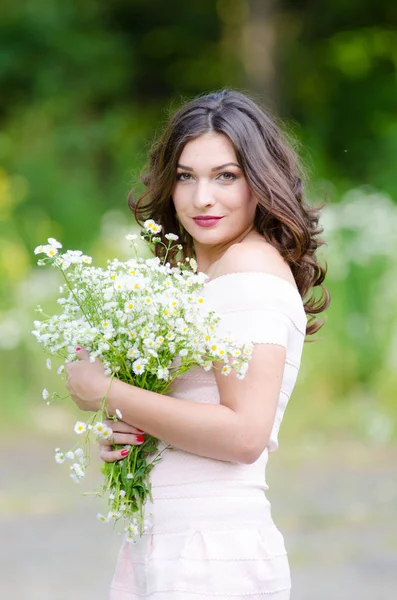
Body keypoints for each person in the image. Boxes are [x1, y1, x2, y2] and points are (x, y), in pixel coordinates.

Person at [65, 89, 330, 599]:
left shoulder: (248, 268)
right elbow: (203, 411)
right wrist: (135, 432)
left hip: (209, 558)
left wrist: (107, 391)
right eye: (186, 176)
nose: (201, 197)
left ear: (261, 182)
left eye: (225, 176)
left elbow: (244, 436)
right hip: (179, 546)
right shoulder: (213, 274)